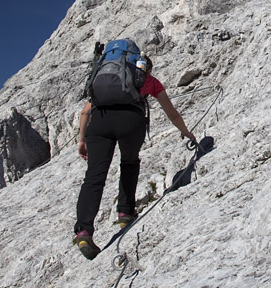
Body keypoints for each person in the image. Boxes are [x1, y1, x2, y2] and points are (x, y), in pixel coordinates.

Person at [73, 52, 196, 260]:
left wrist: (82, 140)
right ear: (144, 68)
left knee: (94, 177)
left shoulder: (105, 82)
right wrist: (186, 132)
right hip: (131, 121)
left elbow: (85, 112)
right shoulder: (148, 80)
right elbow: (172, 113)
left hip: (100, 122)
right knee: (129, 162)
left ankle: (84, 231)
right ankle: (125, 212)